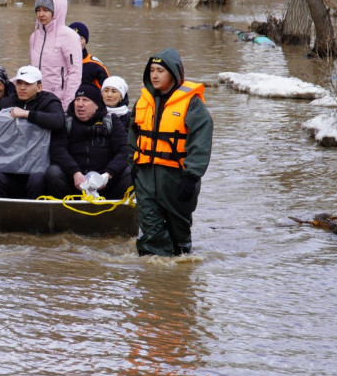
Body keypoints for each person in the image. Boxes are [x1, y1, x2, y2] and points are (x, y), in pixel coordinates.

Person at [129, 48, 213, 257]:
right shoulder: (143, 102)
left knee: (179, 240)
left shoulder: (192, 104)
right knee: (151, 231)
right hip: (146, 176)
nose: (154, 75)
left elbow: (200, 141)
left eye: (160, 71)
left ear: (174, 74)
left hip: (178, 178)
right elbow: (132, 135)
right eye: (152, 70)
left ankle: (177, 279)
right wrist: (131, 165)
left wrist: (192, 175)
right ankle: (154, 280)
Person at [0, 65, 66, 199]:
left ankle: (35, 215)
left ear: (39, 87)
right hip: (10, 168)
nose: (22, 87)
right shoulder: (6, 102)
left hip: (36, 169)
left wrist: (27, 114)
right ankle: (1, 215)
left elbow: (58, 121)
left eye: (27, 84)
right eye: (19, 83)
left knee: (37, 180)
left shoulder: (49, 101)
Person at [44, 83, 131, 200]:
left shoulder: (112, 121)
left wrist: (108, 174)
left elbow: (124, 150)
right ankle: (65, 209)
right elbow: (58, 150)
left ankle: (114, 207)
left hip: (105, 182)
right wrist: (75, 172)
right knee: (53, 172)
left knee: (130, 171)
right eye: (77, 100)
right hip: (74, 181)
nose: (80, 104)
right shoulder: (66, 122)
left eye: (85, 100)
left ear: (96, 105)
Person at [30, 0, 83, 112]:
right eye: (38, 10)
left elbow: (75, 73)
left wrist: (68, 106)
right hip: (37, 100)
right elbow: (32, 69)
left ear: (57, 11)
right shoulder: (34, 36)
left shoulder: (69, 36)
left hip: (58, 101)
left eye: (46, 10)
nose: (41, 14)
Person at [68, 21, 109, 90]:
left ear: (86, 41)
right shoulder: (57, 62)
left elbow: (106, 94)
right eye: (72, 38)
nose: (76, 42)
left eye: (80, 38)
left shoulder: (95, 66)